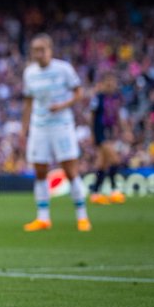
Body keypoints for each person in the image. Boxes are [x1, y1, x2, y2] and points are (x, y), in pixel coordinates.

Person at [21, 34, 91, 232]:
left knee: (70, 171)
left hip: (61, 126)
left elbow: (79, 93)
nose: (39, 54)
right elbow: (28, 102)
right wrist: (23, 128)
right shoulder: (29, 73)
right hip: (39, 126)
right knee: (40, 172)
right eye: (35, 50)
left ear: (50, 50)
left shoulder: (63, 69)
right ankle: (43, 218)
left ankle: (82, 216)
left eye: (42, 49)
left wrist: (62, 105)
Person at [89, 73, 127, 205]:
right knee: (115, 160)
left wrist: (123, 130)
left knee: (102, 164)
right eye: (108, 82)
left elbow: (117, 116)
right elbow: (92, 116)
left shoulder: (116, 98)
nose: (111, 84)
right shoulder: (98, 98)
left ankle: (95, 192)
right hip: (100, 132)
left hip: (109, 132)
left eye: (113, 81)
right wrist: (92, 134)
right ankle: (114, 190)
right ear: (103, 83)